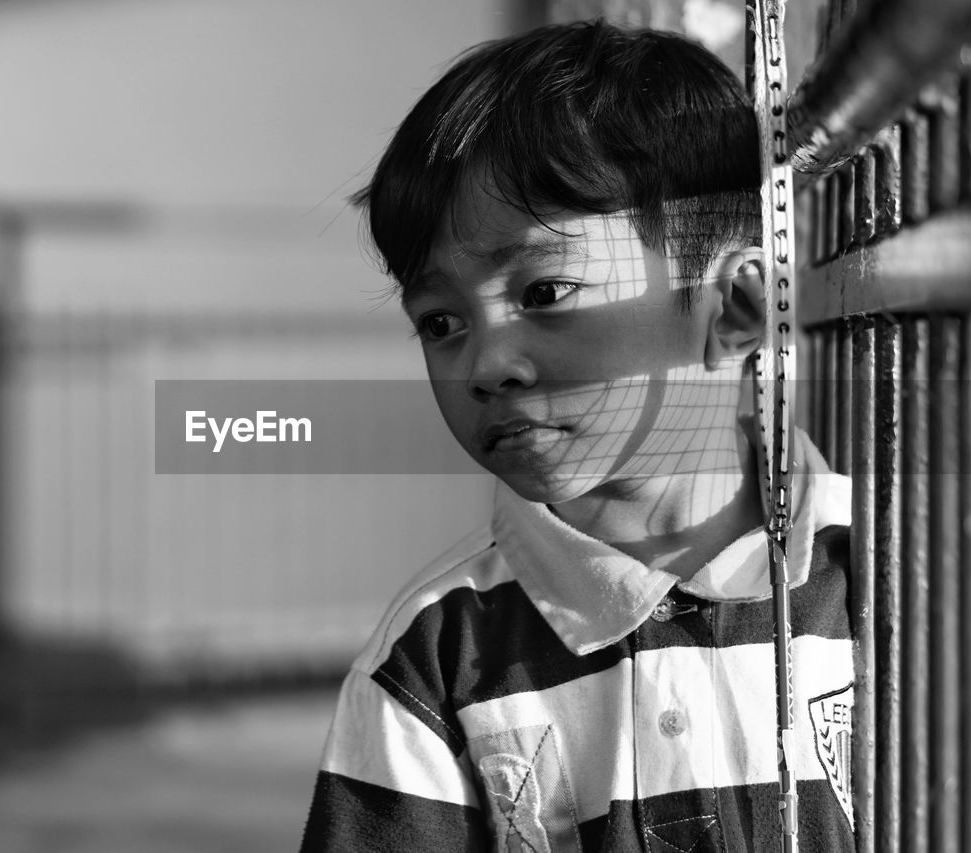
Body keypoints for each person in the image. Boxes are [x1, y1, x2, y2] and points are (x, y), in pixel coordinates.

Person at [299, 20, 855, 853]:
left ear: (737, 308)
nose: (484, 362)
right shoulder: (433, 663)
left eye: (546, 290)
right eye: (441, 321)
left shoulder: (891, 578)